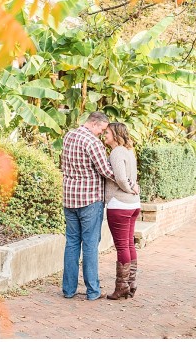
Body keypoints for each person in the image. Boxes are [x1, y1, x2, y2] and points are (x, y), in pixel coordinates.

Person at [60, 111, 115, 301]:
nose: (102, 132)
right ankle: (93, 291)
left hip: (69, 197)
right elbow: (106, 170)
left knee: (72, 243)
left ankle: (68, 290)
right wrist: (127, 181)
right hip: (90, 199)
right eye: (101, 129)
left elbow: (63, 164)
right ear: (94, 123)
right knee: (90, 245)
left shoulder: (69, 136)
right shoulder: (93, 142)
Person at [103, 122, 141, 300]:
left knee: (122, 246)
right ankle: (131, 284)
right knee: (129, 244)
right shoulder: (128, 151)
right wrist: (133, 188)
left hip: (120, 204)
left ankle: (122, 287)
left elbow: (120, 178)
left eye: (108, 132)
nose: (105, 135)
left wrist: (129, 188)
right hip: (132, 205)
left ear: (116, 134)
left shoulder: (117, 152)